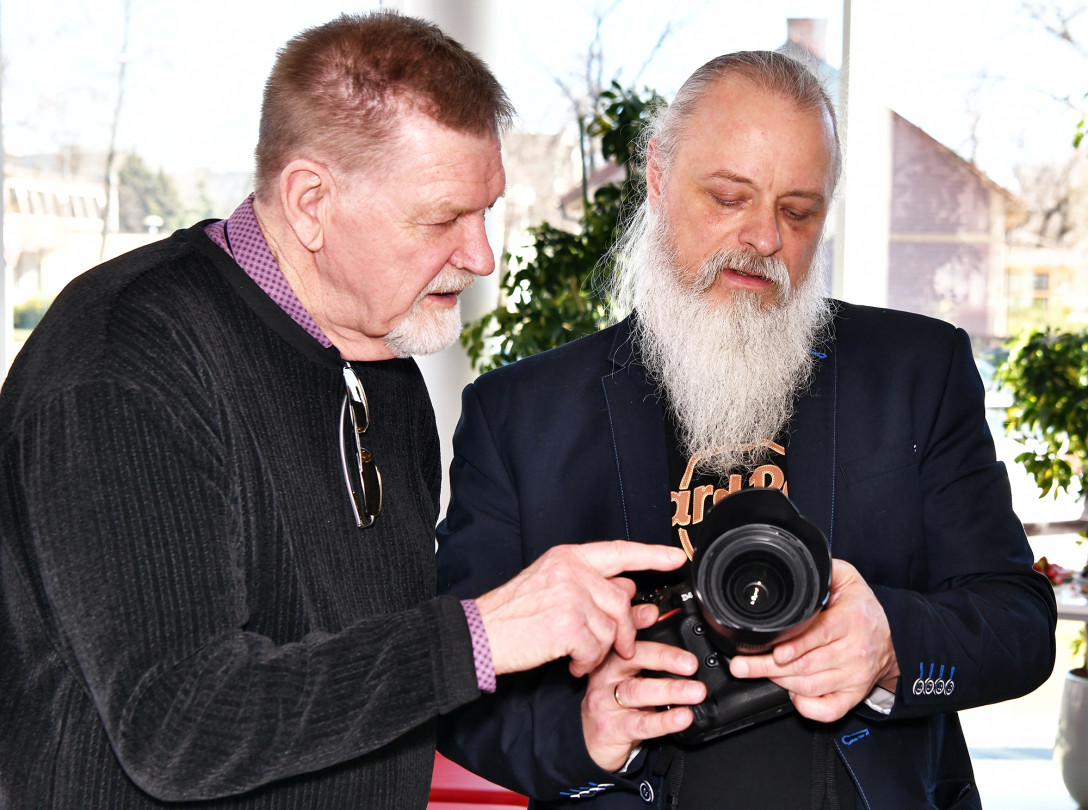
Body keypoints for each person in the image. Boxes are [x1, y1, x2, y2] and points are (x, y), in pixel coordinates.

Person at [0, 12, 688, 809]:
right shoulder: (123, 362)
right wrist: (478, 635)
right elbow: (180, 725)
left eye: (486, 212)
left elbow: (373, 682)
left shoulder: (383, 365)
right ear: (310, 202)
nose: (481, 256)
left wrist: (582, 724)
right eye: (442, 218)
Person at [435, 50, 1058, 809]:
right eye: (730, 197)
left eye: (798, 212)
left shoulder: (917, 372)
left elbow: (1020, 626)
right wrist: (589, 731)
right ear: (657, 175)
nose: (763, 237)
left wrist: (891, 643)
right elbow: (455, 682)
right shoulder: (520, 413)